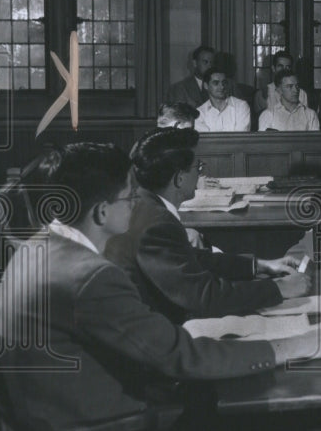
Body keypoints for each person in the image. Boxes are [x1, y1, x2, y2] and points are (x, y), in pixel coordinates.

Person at [0, 142, 321, 431]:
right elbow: (183, 357)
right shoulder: (90, 277)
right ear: (101, 213)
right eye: (129, 197)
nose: (137, 204)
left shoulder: (38, 249)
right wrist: (294, 347)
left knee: (248, 418)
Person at [105, 128, 309, 323]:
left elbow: (192, 258)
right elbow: (203, 296)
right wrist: (278, 289)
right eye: (198, 167)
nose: (200, 175)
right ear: (179, 178)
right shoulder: (156, 222)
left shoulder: (145, 204)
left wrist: (260, 266)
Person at [195, 67, 251, 132]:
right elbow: (206, 140)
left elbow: (241, 138)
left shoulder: (241, 106)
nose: (222, 86)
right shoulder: (199, 113)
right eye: (216, 83)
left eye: (224, 82)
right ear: (206, 86)